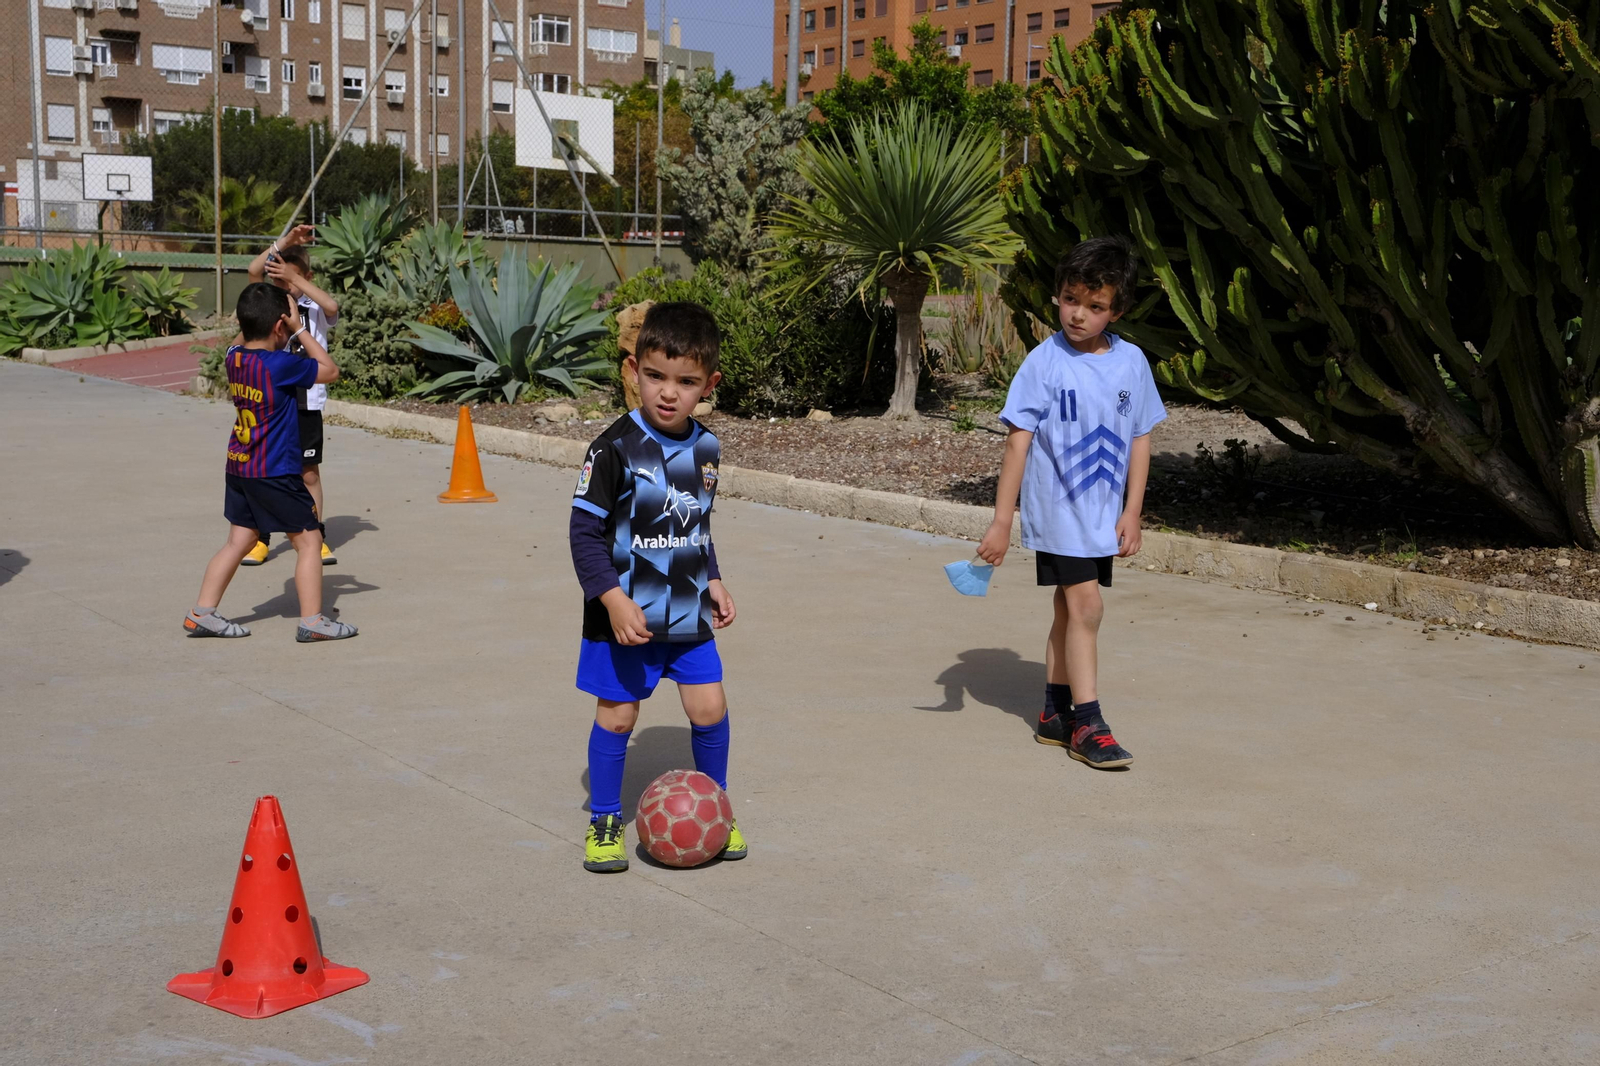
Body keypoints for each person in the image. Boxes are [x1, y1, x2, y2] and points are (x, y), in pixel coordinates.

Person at [976, 237, 1166, 769]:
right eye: (1069, 299)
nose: (1078, 314)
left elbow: (1140, 438)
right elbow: (1018, 440)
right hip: (1058, 512)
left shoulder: (1131, 364)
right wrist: (1000, 521)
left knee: (1067, 608)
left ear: (1117, 310)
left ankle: (1054, 713)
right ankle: (1090, 724)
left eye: (1095, 305)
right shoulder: (1044, 362)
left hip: (1102, 516)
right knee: (1087, 607)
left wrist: (1132, 511)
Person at [568, 302, 744, 872]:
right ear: (633, 371)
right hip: (626, 616)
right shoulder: (612, 449)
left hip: (687, 609)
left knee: (711, 708)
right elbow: (583, 532)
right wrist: (612, 598)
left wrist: (712, 577)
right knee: (618, 718)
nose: (668, 393)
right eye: (655, 376)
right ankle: (604, 819)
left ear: (709, 385)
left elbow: (697, 522)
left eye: (686, 382)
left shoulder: (708, 450)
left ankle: (715, 809)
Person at [183, 282, 358, 644]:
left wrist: (268, 319)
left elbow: (241, 336)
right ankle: (313, 621)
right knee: (309, 540)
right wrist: (298, 329)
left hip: (239, 466)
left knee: (239, 540)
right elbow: (329, 370)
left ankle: (202, 613)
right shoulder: (280, 365)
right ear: (279, 325)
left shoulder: (234, 356)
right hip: (274, 470)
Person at [240, 226, 341, 567]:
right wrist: (284, 245)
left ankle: (315, 534)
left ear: (306, 279)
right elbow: (255, 271)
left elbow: (332, 303)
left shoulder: (313, 307)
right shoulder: (270, 303)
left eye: (293, 280)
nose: (286, 286)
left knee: (307, 472)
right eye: (281, 279)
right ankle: (259, 538)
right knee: (264, 470)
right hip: (270, 400)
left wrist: (296, 281)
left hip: (306, 402)